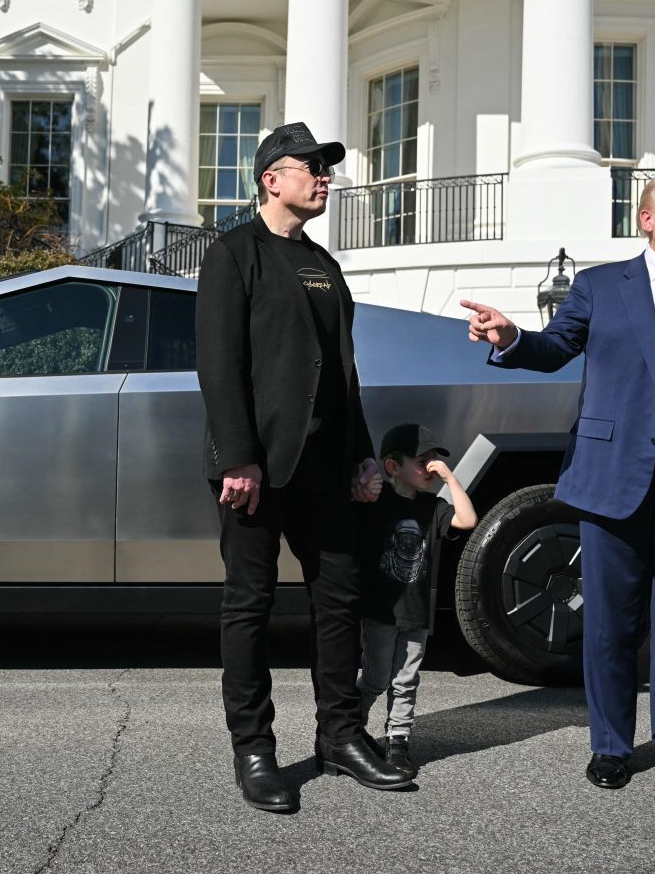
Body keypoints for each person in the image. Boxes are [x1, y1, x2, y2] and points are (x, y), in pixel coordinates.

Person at [459, 170, 655, 801]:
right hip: (612, 476)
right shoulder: (601, 287)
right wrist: (510, 335)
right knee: (609, 623)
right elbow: (552, 348)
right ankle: (610, 747)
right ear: (646, 218)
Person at [197, 121, 411, 812]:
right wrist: (239, 458)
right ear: (271, 179)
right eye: (310, 166)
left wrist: (364, 454)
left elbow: (344, 372)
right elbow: (219, 364)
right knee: (249, 607)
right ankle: (254, 749)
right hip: (257, 470)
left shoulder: (324, 265)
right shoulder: (234, 255)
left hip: (327, 469)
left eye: (326, 168)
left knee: (340, 602)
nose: (324, 177)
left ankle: (340, 736)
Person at [355, 423, 477, 779]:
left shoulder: (433, 507)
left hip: (416, 612)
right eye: (422, 461)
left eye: (434, 460)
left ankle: (398, 742)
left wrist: (450, 478)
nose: (431, 467)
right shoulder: (378, 503)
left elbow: (468, 519)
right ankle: (350, 728)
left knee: (406, 681)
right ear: (393, 467)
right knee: (376, 679)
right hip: (380, 611)